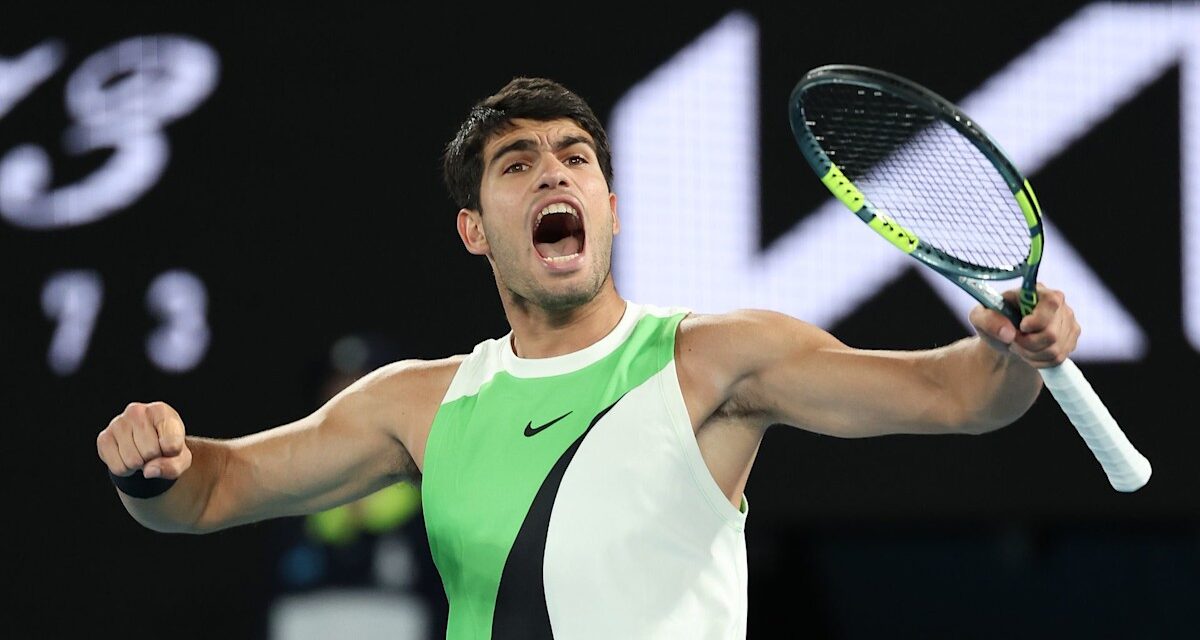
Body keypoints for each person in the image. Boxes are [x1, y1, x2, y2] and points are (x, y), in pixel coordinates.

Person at [97, 76, 1080, 639]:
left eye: (575, 157)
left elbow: (955, 396)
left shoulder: (717, 360)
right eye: (517, 164)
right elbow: (210, 493)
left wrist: (1011, 350)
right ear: (475, 229)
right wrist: (151, 466)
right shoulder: (419, 404)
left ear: (609, 207)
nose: (552, 172)